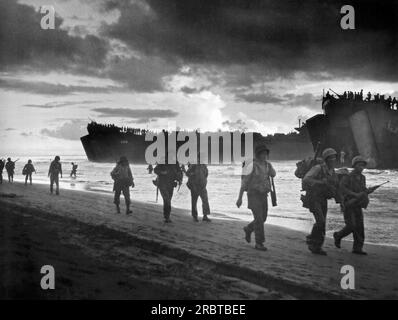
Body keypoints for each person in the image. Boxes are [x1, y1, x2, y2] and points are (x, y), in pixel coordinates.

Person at [333, 156, 378, 255]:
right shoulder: (347, 177)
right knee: (351, 225)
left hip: (357, 204)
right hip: (348, 204)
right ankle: (338, 236)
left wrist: (368, 191)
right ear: (354, 166)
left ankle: (358, 248)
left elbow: (362, 190)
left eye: (363, 165)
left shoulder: (362, 177)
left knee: (359, 226)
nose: (361, 167)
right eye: (359, 165)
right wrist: (354, 194)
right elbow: (343, 189)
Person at [236, 145, 276, 251]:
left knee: (263, 218)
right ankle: (259, 243)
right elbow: (244, 183)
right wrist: (239, 198)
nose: (264, 155)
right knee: (259, 218)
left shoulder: (268, 165)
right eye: (262, 153)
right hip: (253, 195)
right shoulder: (252, 166)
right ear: (258, 154)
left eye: (265, 153)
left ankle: (248, 229)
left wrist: (270, 169)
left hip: (263, 195)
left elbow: (273, 174)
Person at [302, 148, 340, 255]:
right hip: (314, 198)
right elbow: (306, 179)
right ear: (327, 159)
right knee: (321, 221)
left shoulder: (332, 171)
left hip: (323, 199)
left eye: (334, 157)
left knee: (322, 223)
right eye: (331, 158)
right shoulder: (318, 168)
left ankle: (317, 246)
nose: (333, 160)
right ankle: (312, 240)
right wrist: (320, 182)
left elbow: (334, 185)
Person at [186, 156, 211, 222]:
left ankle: (205, 216)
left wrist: (204, 182)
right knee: (194, 202)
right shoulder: (193, 165)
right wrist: (192, 174)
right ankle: (195, 217)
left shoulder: (204, 166)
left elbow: (206, 174)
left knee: (205, 201)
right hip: (194, 186)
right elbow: (187, 173)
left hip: (202, 187)